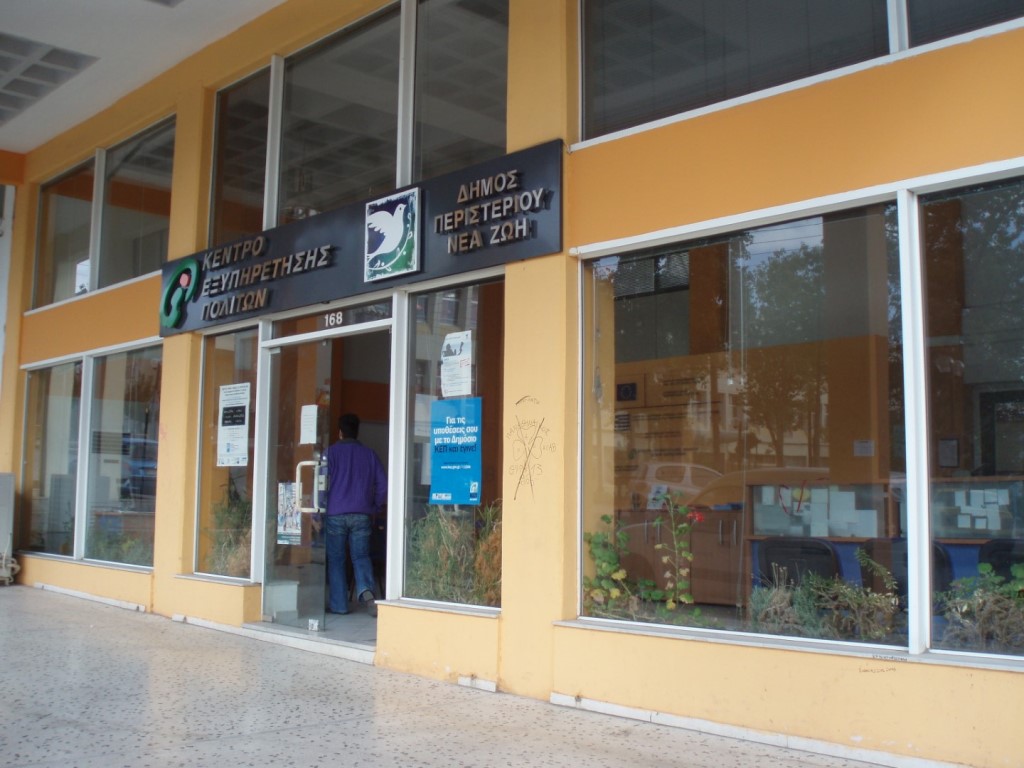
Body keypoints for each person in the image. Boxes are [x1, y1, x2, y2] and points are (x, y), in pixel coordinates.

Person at [324, 413, 386, 617]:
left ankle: (339, 605)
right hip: (362, 514)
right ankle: (367, 592)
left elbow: (321, 484)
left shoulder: (330, 453)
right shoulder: (369, 455)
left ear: (340, 432)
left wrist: (317, 512)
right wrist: (375, 506)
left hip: (335, 513)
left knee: (336, 559)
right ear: (357, 432)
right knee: (361, 556)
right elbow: (383, 485)